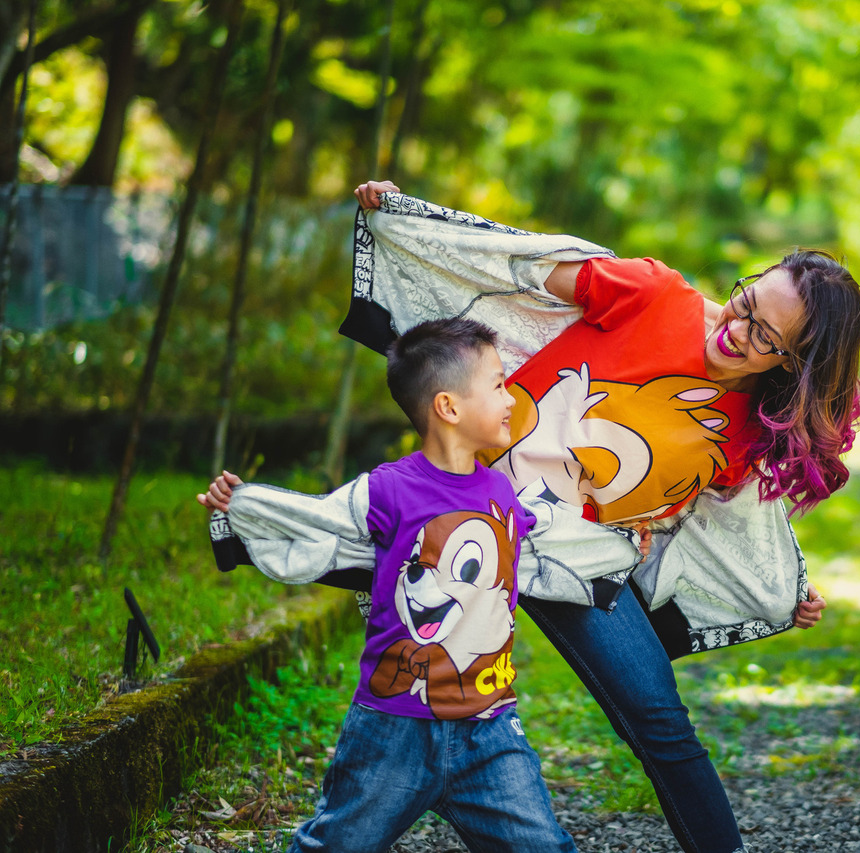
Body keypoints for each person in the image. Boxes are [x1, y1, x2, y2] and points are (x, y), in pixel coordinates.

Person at [344, 180, 860, 853]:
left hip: (579, 558)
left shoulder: (750, 432)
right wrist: (407, 212)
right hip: (471, 512)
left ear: (797, 364)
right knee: (414, 699)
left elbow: (719, 525)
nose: (735, 331)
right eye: (744, 304)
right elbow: (512, 261)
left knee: (660, 720)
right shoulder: (655, 294)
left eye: (765, 336)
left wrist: (784, 588)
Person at [198, 318, 582, 853]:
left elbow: (555, 534)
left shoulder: (501, 491)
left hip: (490, 727)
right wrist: (245, 507)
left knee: (543, 847)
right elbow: (315, 521)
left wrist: (628, 535)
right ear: (448, 407)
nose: (511, 397)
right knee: (337, 845)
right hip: (392, 730)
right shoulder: (387, 489)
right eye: (497, 384)